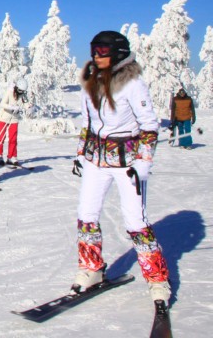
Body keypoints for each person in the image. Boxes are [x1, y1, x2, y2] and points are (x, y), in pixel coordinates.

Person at [73, 30, 170, 307]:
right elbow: (87, 124)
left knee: (135, 221)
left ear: (117, 53)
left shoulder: (132, 84)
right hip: (96, 159)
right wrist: (81, 154)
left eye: (102, 50)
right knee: (86, 215)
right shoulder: (90, 82)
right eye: (94, 49)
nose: (96, 55)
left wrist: (143, 163)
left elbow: (150, 126)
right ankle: (92, 268)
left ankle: (157, 279)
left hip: (126, 162)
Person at [0, 78, 29, 166]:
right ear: (16, 88)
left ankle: (12, 156)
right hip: (4, 117)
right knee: (1, 138)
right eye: (20, 90)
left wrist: (29, 107)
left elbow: (25, 104)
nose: (21, 92)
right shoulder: (9, 92)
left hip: (14, 118)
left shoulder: (22, 95)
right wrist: (12, 107)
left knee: (13, 138)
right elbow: (2, 104)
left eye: (23, 91)